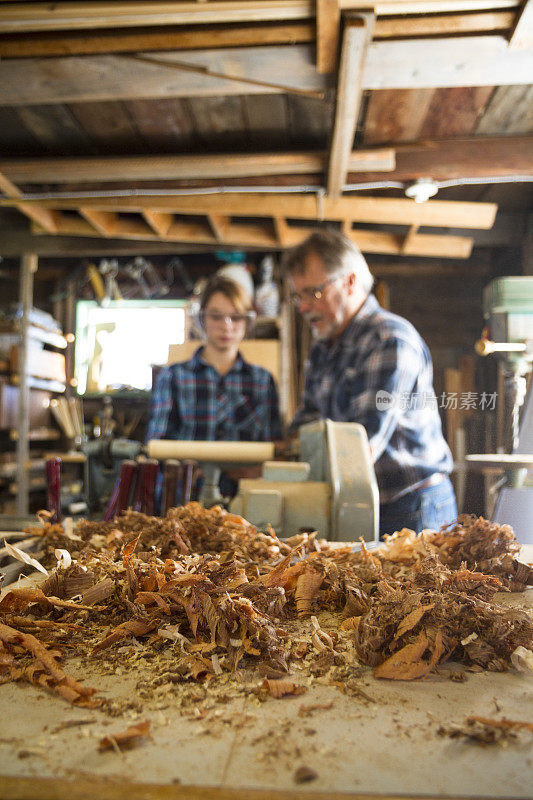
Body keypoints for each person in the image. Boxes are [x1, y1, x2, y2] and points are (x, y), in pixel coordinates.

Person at [283, 228, 457, 538]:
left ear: (349, 282)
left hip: (412, 505)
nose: (303, 307)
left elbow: (362, 445)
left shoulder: (388, 339)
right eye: (299, 296)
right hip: (361, 499)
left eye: (314, 292)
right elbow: (307, 423)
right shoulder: (324, 347)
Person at [146, 273, 282, 459]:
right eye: (216, 316)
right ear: (202, 319)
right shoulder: (173, 378)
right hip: (187, 485)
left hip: (245, 487)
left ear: (247, 321)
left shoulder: (263, 381)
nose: (226, 326)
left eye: (235, 317)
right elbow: (156, 448)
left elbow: (273, 449)